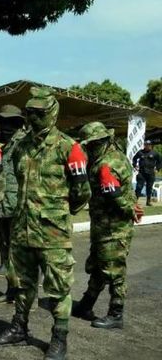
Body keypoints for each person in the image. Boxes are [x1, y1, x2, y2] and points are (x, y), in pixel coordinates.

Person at [0, 87, 91, 360]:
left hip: (53, 233)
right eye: (30, 114)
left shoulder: (69, 147)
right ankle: (19, 328)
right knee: (23, 285)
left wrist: (55, 213)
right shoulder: (21, 147)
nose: (34, 119)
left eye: (40, 114)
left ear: (53, 113)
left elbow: (81, 193)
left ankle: (59, 338)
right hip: (22, 229)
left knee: (58, 288)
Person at [73, 122, 142, 329]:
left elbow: (115, 196)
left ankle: (116, 313)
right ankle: (86, 305)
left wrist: (131, 209)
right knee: (98, 266)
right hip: (105, 226)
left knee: (114, 271)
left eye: (92, 145)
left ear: (102, 142)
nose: (89, 149)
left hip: (113, 228)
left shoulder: (106, 164)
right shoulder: (114, 156)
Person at [0, 104, 26, 303]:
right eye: (2, 122)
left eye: (8, 122)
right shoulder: (7, 144)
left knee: (18, 252)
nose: (3, 126)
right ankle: (12, 290)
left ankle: (22, 294)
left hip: (16, 205)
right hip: (2, 203)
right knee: (4, 248)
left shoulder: (22, 142)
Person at [132, 140, 161, 206]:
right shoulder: (140, 152)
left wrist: (157, 169)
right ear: (144, 145)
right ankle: (135, 201)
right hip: (142, 172)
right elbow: (134, 159)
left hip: (151, 173)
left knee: (149, 187)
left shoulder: (155, 153)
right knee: (139, 187)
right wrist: (135, 165)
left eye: (149, 145)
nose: (147, 146)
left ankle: (148, 201)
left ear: (151, 145)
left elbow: (159, 161)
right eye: (146, 145)